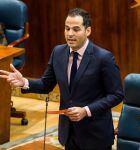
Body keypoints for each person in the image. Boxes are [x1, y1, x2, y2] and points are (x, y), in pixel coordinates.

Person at [0, 8, 124, 150]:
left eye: (76, 29)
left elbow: (117, 94)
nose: (70, 34)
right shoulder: (58, 52)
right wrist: (24, 82)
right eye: (67, 29)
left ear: (88, 31)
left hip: (95, 134)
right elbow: (46, 84)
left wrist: (86, 110)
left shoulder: (104, 58)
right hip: (68, 132)